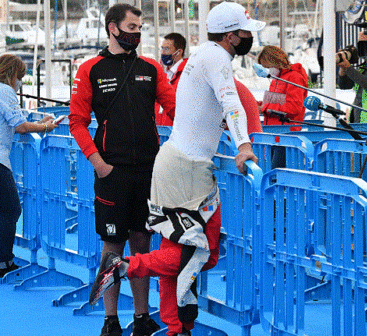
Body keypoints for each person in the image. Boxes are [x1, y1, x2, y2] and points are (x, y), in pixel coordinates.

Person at [88, 3, 264, 336]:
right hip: (187, 170)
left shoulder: (201, 56)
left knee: (176, 253)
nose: (248, 38)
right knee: (201, 250)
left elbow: (204, 108)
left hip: (175, 164)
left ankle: (176, 327)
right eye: (245, 33)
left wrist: (219, 126)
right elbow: (231, 102)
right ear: (231, 36)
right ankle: (126, 265)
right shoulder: (217, 59)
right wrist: (243, 146)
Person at [69, 4, 175, 336]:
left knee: (142, 245)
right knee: (112, 246)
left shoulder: (152, 68)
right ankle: (110, 320)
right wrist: (98, 163)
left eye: (140, 27)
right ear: (113, 28)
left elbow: (176, 109)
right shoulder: (90, 69)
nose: (138, 32)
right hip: (111, 173)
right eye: (132, 26)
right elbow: (77, 122)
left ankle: (143, 317)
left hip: (148, 172)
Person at [0, 54, 58, 278]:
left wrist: (38, 123)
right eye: (20, 77)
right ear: (13, 74)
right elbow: (20, 126)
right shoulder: (5, 92)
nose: (20, 82)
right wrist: (45, 128)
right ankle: (4, 261)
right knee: (11, 209)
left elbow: (13, 123)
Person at [257, 45, 309, 130]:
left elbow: (294, 108)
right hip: (273, 130)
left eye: (268, 67)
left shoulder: (294, 77)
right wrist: (258, 105)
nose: (268, 70)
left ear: (275, 62)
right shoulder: (276, 78)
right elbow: (275, 102)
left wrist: (265, 108)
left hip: (287, 132)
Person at [155, 32, 187, 126]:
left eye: (167, 49)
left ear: (179, 52)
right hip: (160, 129)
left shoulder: (186, 75)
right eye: (162, 48)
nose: (163, 52)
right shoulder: (161, 72)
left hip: (176, 130)